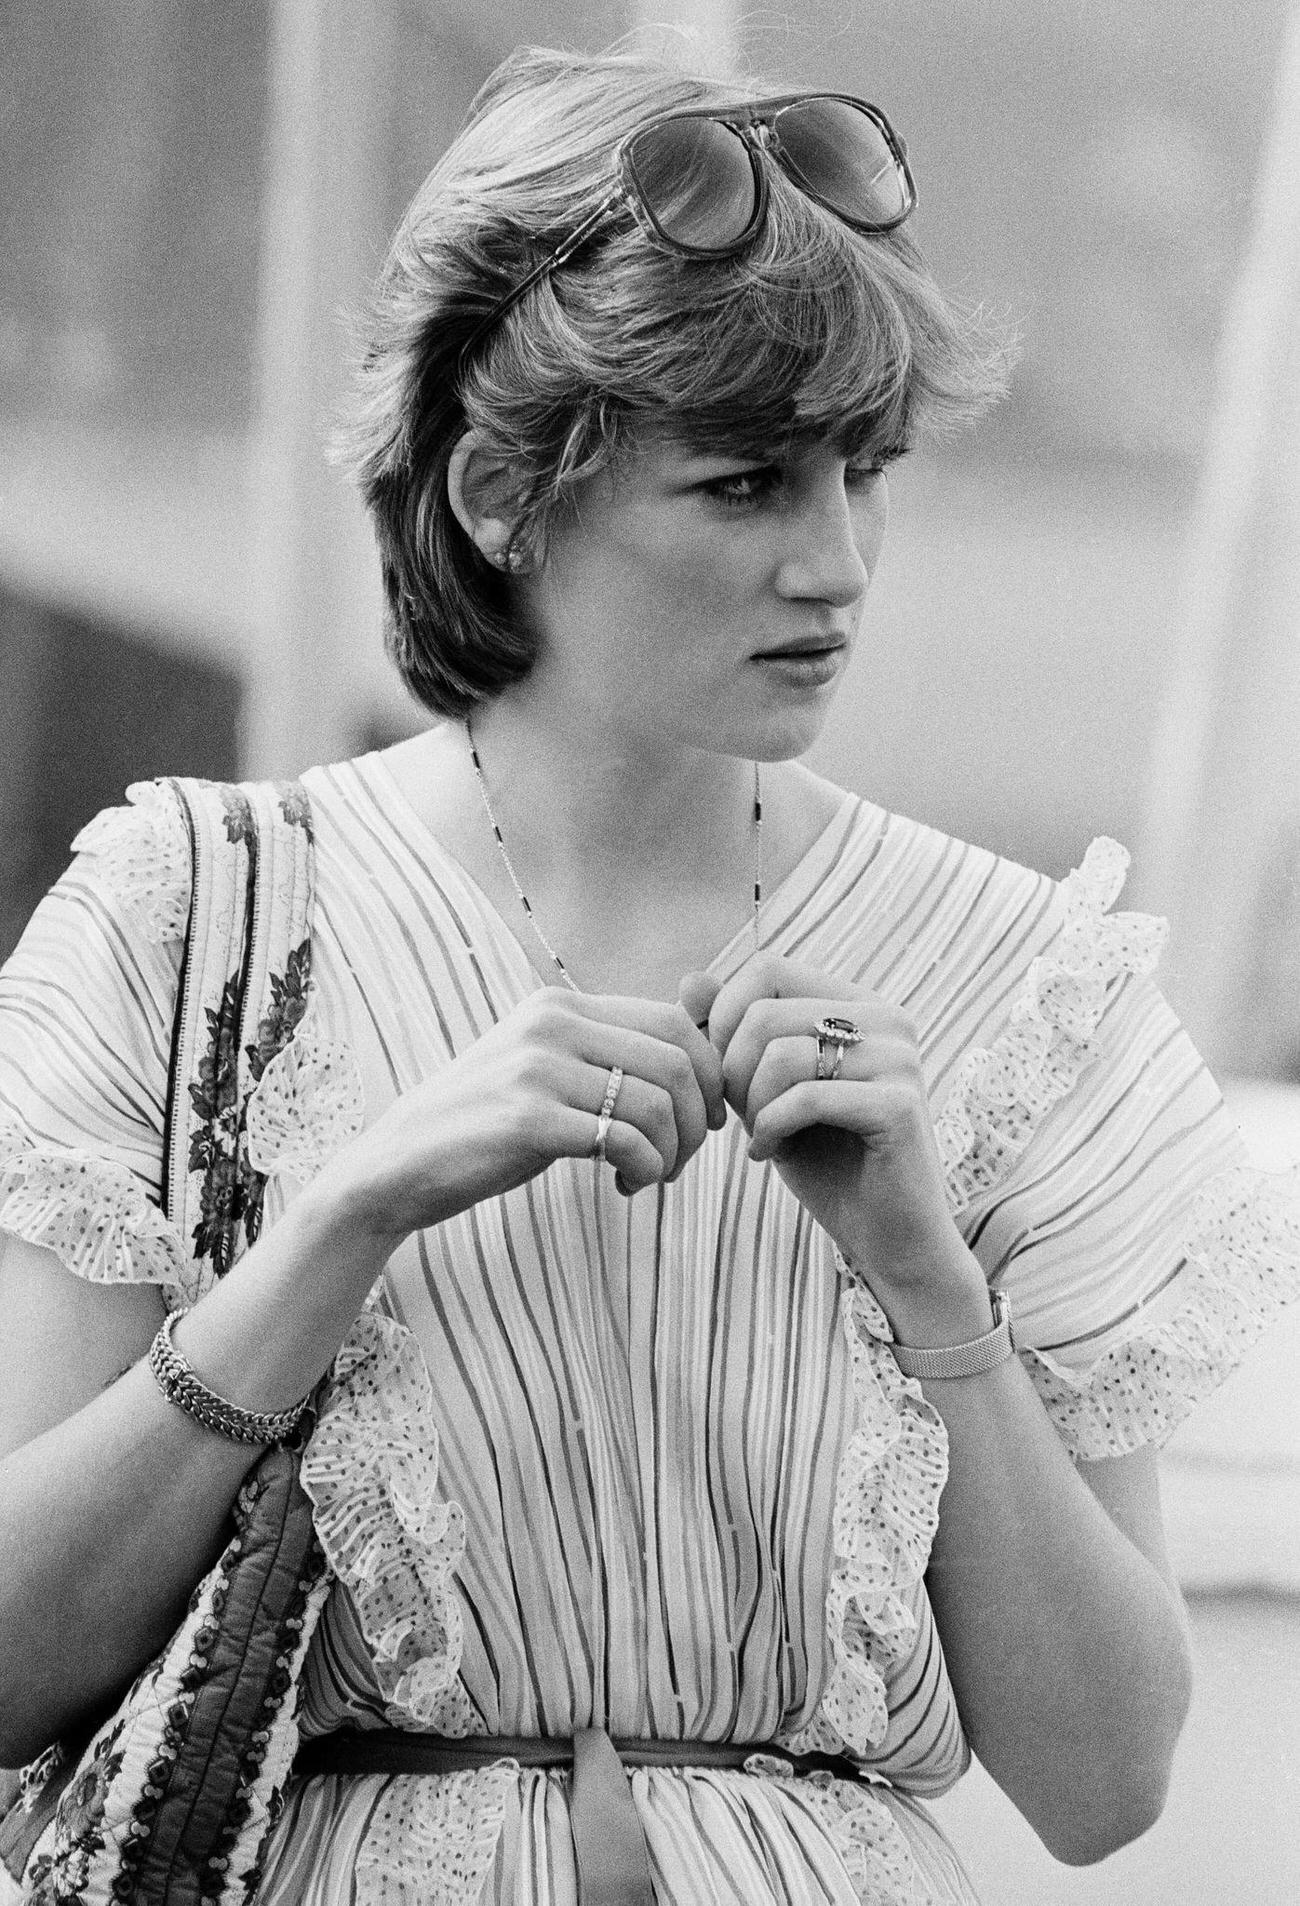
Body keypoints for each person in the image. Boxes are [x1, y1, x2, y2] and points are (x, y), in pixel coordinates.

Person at [1, 41, 1296, 1906]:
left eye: (868, 468)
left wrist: (932, 1283)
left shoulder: (1023, 984)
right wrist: (340, 1223)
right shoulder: (194, 914)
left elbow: (1105, 1782)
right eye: (747, 482)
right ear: (505, 492)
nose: (837, 561)